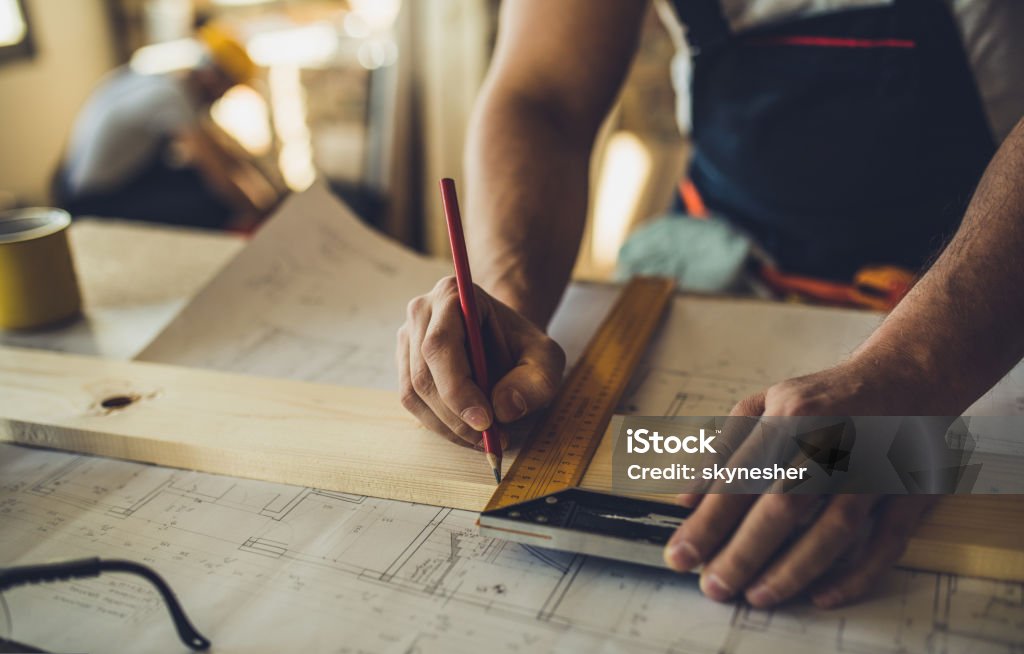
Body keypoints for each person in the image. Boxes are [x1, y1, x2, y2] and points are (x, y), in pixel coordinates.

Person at [397, 0, 1024, 609]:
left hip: (987, 293)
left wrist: (919, 367)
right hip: (726, 264)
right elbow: (546, 95)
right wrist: (506, 305)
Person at [55, 24, 278, 230]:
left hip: (70, 182)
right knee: (212, 203)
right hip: (93, 201)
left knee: (187, 175)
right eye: (227, 89)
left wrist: (266, 186)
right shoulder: (170, 97)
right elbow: (216, 171)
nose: (222, 97)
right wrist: (262, 215)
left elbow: (219, 148)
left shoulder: (157, 80)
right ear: (213, 78)